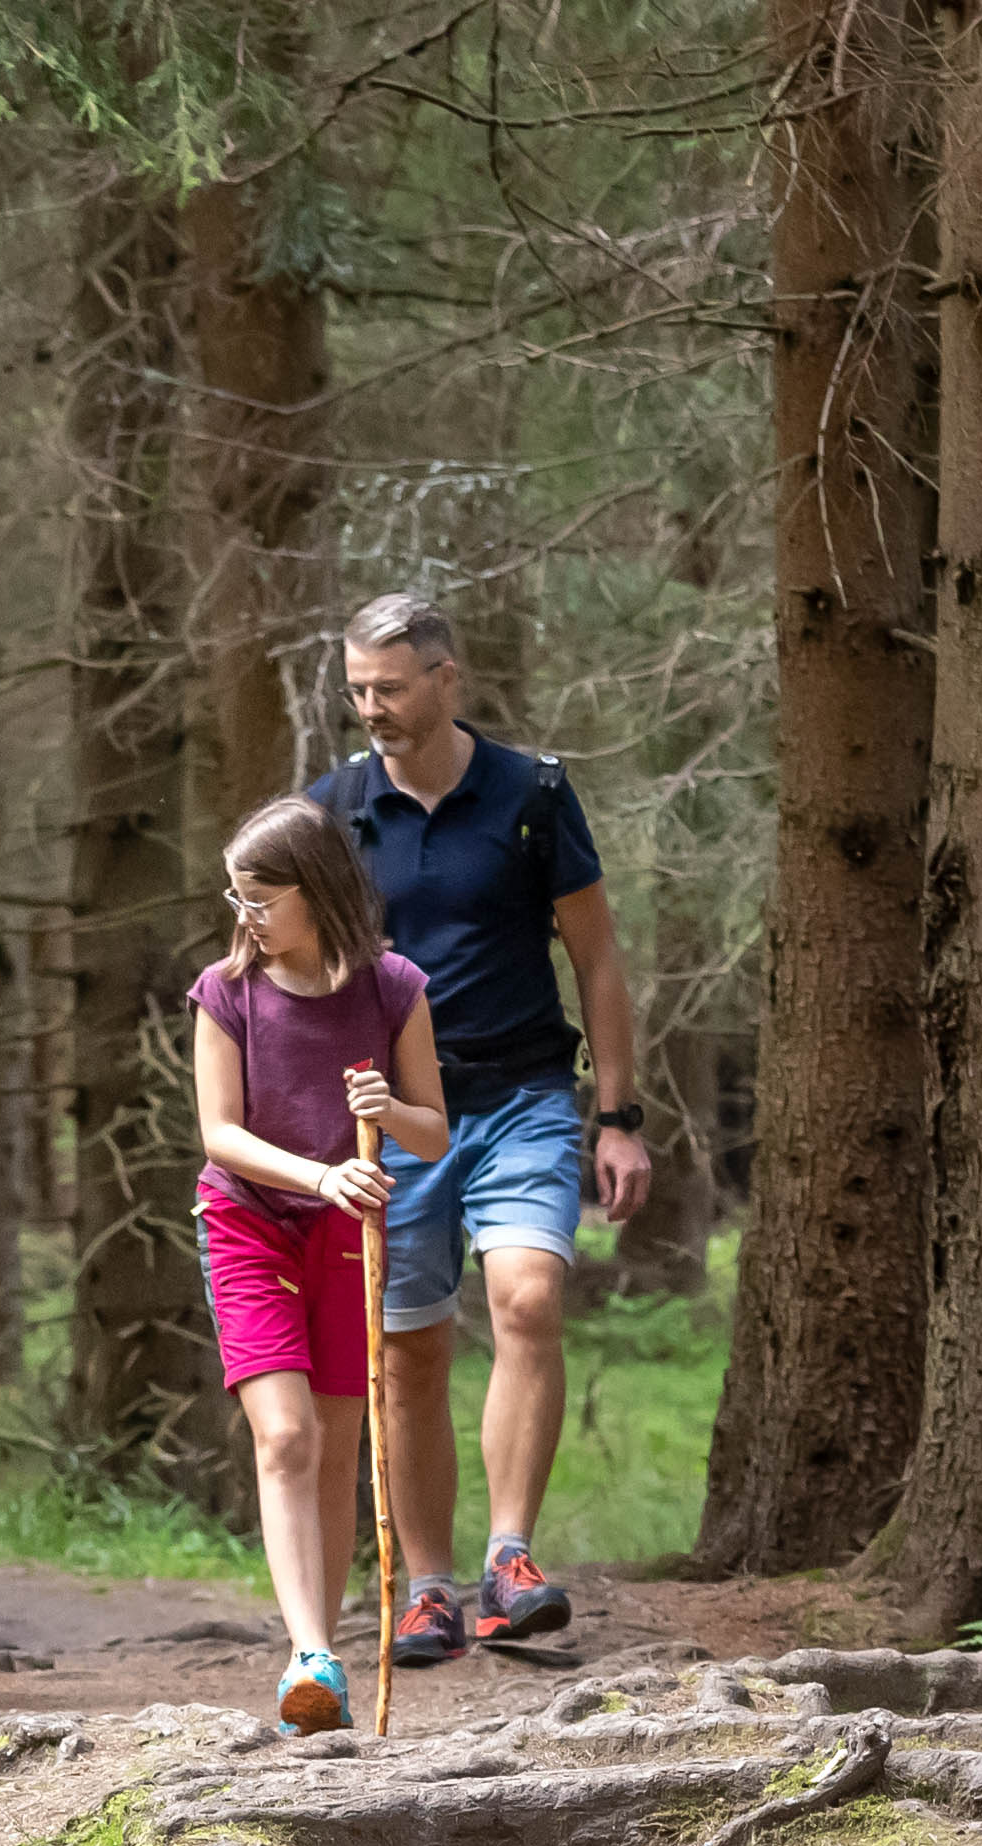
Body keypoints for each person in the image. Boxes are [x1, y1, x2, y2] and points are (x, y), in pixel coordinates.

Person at [306, 591, 653, 1667]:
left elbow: (594, 959)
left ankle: (510, 1558)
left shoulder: (532, 793)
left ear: (445, 678)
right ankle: (426, 1589)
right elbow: (297, 973)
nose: (371, 707)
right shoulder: (331, 811)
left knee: (528, 1295)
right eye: (358, 688)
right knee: (405, 1356)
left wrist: (618, 1116)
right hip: (391, 1115)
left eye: (391, 687)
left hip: (520, 1096)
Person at [188, 797, 451, 1735]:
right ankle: (307, 1651)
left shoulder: (392, 988)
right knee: (287, 1435)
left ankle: (327, 1661)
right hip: (252, 1223)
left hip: (352, 1234)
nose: (244, 915)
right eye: (237, 895)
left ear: (319, 890)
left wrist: (389, 1106)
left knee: (338, 1445)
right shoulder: (225, 992)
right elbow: (220, 1135)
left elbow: (431, 1130)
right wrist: (319, 1173)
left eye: (261, 897)